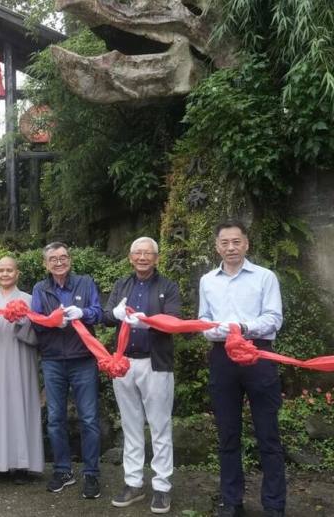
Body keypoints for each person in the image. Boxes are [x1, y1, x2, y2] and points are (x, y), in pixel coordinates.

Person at [198, 220, 285, 517]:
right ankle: (231, 501)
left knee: (268, 434)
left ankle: (274, 505)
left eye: (236, 242)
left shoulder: (265, 277)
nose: (231, 247)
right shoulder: (208, 280)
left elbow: (274, 318)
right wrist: (218, 331)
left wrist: (243, 328)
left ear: (246, 243)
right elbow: (204, 322)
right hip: (223, 359)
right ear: (217, 246)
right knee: (228, 433)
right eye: (225, 242)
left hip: (259, 354)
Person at [103, 237, 181, 514]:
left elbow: (174, 320)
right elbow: (106, 316)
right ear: (130, 257)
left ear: (156, 258)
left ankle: (162, 487)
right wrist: (115, 313)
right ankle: (133, 482)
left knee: (160, 426)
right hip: (123, 363)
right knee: (131, 425)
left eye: (148, 253)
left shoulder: (168, 286)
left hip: (155, 364)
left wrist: (147, 321)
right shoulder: (122, 285)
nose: (142, 258)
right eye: (137, 253)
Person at [31, 242, 104, 498]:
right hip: (52, 360)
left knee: (89, 419)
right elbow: (35, 322)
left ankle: (92, 473)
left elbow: (98, 313)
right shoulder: (40, 288)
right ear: (46, 264)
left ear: (70, 259)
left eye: (63, 257)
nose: (59, 262)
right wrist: (53, 322)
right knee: (55, 419)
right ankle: (63, 470)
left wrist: (81, 312)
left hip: (83, 358)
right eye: (53, 259)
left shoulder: (85, 282)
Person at [0, 256, 43, 484]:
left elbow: (39, 333)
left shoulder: (29, 300)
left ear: (17, 273)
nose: (5, 274)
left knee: (22, 406)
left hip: (21, 360)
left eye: (9, 270)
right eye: (1, 270)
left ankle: (22, 465)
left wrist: (23, 322)